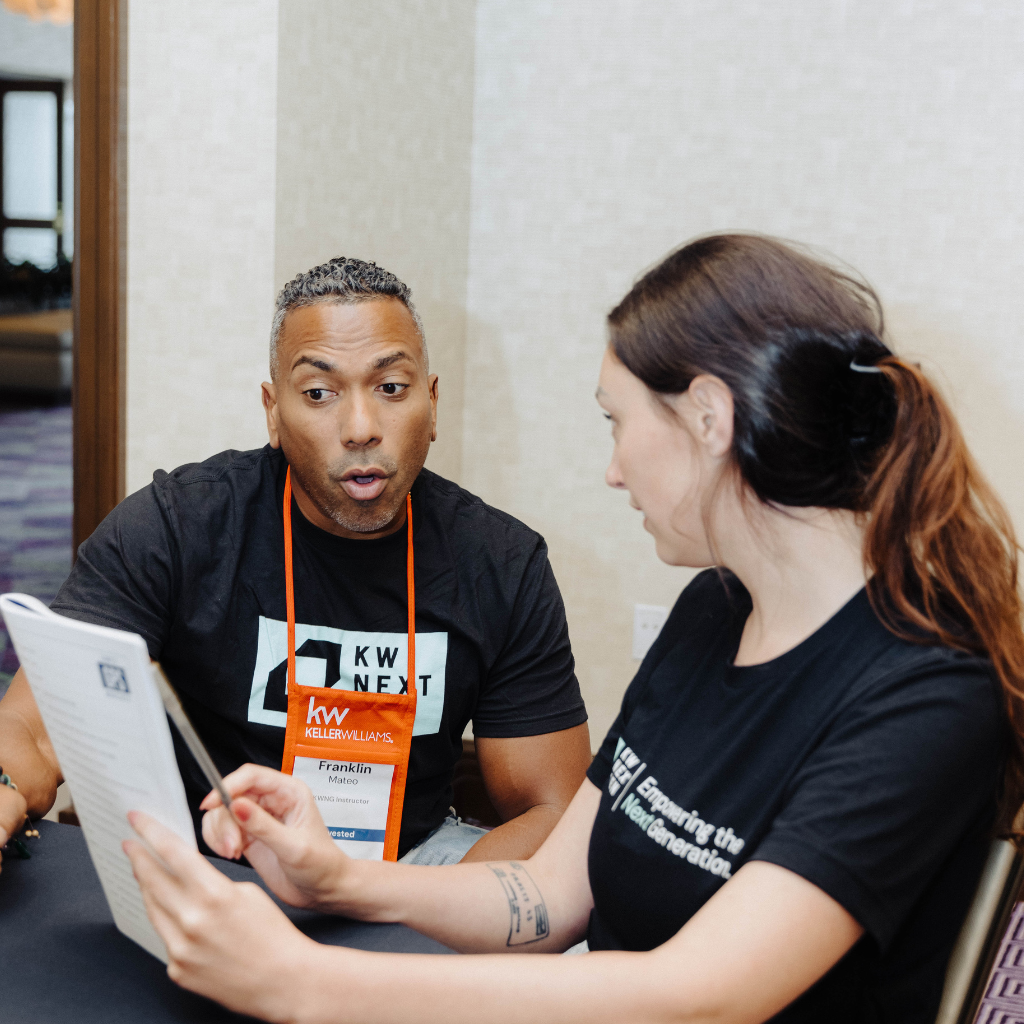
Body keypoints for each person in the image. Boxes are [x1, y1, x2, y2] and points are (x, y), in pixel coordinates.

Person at [122, 233, 1024, 1023]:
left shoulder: (929, 690)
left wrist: (305, 983)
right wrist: (341, 879)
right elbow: (552, 893)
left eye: (617, 423)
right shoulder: (715, 609)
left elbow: (701, 997)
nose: (613, 470)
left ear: (709, 420)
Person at [0, 257, 592, 865]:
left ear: (433, 402)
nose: (361, 427)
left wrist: (421, 905)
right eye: (318, 393)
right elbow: (34, 731)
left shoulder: (502, 563)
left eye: (391, 388)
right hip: (219, 861)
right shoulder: (175, 529)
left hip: (412, 865)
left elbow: (554, 811)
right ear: (273, 411)